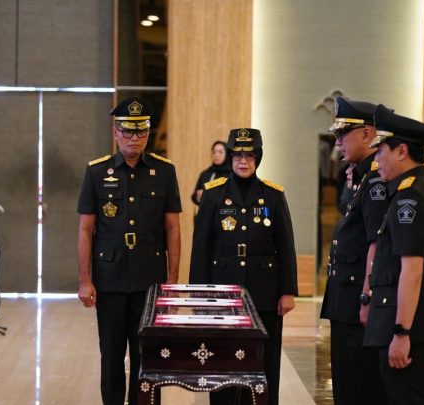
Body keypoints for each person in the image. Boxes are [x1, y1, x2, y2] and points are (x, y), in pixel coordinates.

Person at [77, 96, 181, 405]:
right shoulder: (97, 172)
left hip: (150, 280)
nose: (134, 138)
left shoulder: (165, 171)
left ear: (148, 133)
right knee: (111, 355)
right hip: (110, 280)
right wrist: (85, 280)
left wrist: (172, 282)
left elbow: (173, 229)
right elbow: (85, 230)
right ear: (115, 132)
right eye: (127, 131)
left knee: (147, 356)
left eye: (141, 131)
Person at [190, 128, 297, 405]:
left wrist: (287, 291)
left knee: (264, 361)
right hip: (222, 292)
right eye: (237, 155)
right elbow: (201, 248)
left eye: (249, 155)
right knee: (222, 360)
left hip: (264, 292)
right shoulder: (213, 194)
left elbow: (286, 245)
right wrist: (199, 295)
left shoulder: (273, 195)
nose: (243, 161)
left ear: (258, 158)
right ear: (230, 158)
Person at [363, 105, 424, 404]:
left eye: (380, 151)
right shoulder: (419, 189)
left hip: (411, 328)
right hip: (415, 323)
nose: (376, 159)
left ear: (402, 151)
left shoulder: (411, 196)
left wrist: (402, 332)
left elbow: (412, 270)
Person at [318, 97, 388, 405]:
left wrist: (366, 297)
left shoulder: (375, 181)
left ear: (367, 134)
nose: (338, 142)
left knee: (357, 385)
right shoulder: (359, 177)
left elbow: (377, 243)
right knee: (346, 381)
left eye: (343, 134)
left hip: (356, 300)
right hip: (345, 299)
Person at [191, 140, 230, 205]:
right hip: (207, 209)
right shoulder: (205, 174)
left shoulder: (232, 174)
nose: (216, 155)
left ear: (227, 154)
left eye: (220, 152)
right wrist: (198, 197)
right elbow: (195, 195)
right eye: (214, 152)